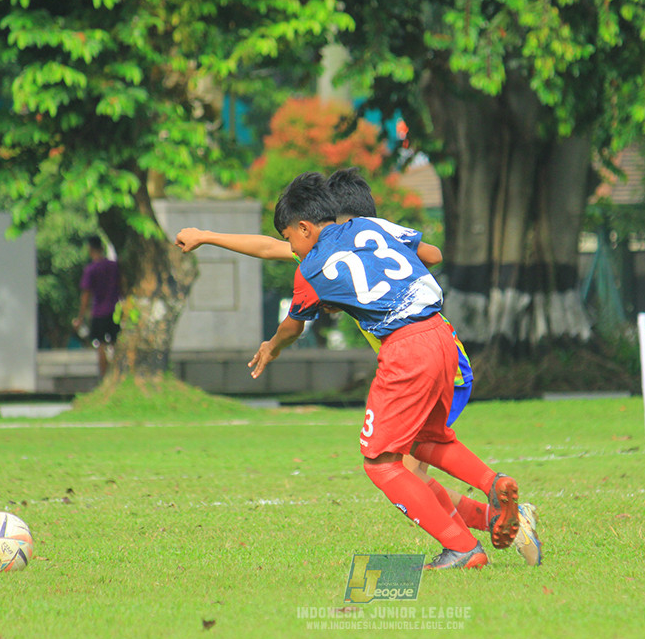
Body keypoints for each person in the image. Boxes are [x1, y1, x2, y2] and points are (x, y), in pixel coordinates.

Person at [174, 168, 542, 566]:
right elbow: (429, 255)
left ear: (304, 227)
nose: (292, 249)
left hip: (406, 353)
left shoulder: (312, 267)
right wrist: (208, 236)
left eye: (291, 239)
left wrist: (272, 347)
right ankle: (493, 485)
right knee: (423, 442)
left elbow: (292, 325)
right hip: (441, 337)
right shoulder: (371, 228)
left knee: (383, 464)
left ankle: (463, 545)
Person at [72, 235, 121, 378]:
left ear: (90, 249)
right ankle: (116, 376)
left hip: (99, 312)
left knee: (101, 346)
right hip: (114, 311)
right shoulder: (113, 266)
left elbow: (86, 295)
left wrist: (80, 318)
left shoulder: (91, 270)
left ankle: (105, 378)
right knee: (115, 344)